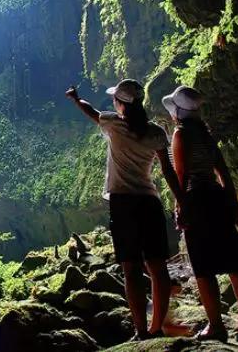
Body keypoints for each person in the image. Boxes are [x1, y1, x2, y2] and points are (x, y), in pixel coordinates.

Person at [66, 80, 183, 340]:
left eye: (115, 99)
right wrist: (181, 201)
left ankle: (141, 330)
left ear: (120, 103)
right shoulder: (156, 132)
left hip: (123, 204)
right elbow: (167, 170)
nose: (113, 103)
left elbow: (91, 111)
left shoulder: (113, 124)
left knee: (131, 269)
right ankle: (157, 327)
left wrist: (75, 99)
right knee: (158, 268)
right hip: (149, 202)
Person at [163, 85, 238, 343]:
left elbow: (182, 175)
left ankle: (216, 326)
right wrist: (233, 203)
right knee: (234, 261)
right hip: (217, 199)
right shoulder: (206, 135)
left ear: (178, 112)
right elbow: (223, 171)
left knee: (203, 267)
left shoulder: (180, 134)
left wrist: (180, 206)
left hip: (197, 201)